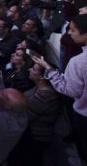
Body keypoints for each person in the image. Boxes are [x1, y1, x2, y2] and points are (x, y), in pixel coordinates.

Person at [33, 14, 87, 159]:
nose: (69, 32)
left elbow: (70, 90)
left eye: (73, 30)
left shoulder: (79, 62)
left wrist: (49, 70)